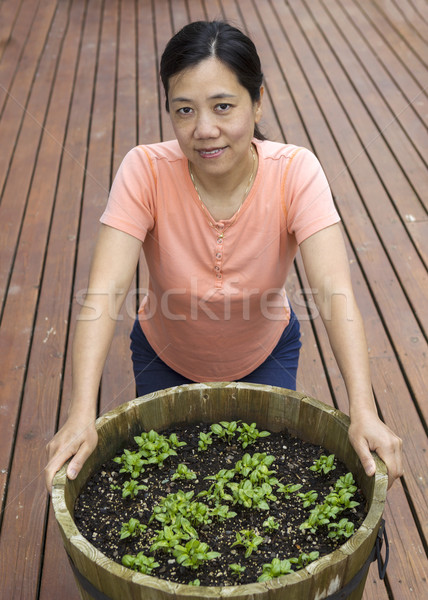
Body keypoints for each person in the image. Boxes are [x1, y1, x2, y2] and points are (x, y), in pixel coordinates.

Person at [45, 20, 402, 493]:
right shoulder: (144, 170)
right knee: (170, 487)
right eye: (185, 110)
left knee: (259, 490)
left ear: (258, 103)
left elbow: (335, 294)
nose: (205, 130)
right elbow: (102, 295)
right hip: (163, 358)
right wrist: (80, 414)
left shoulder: (296, 172)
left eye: (223, 106)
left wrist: (363, 408)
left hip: (265, 354)